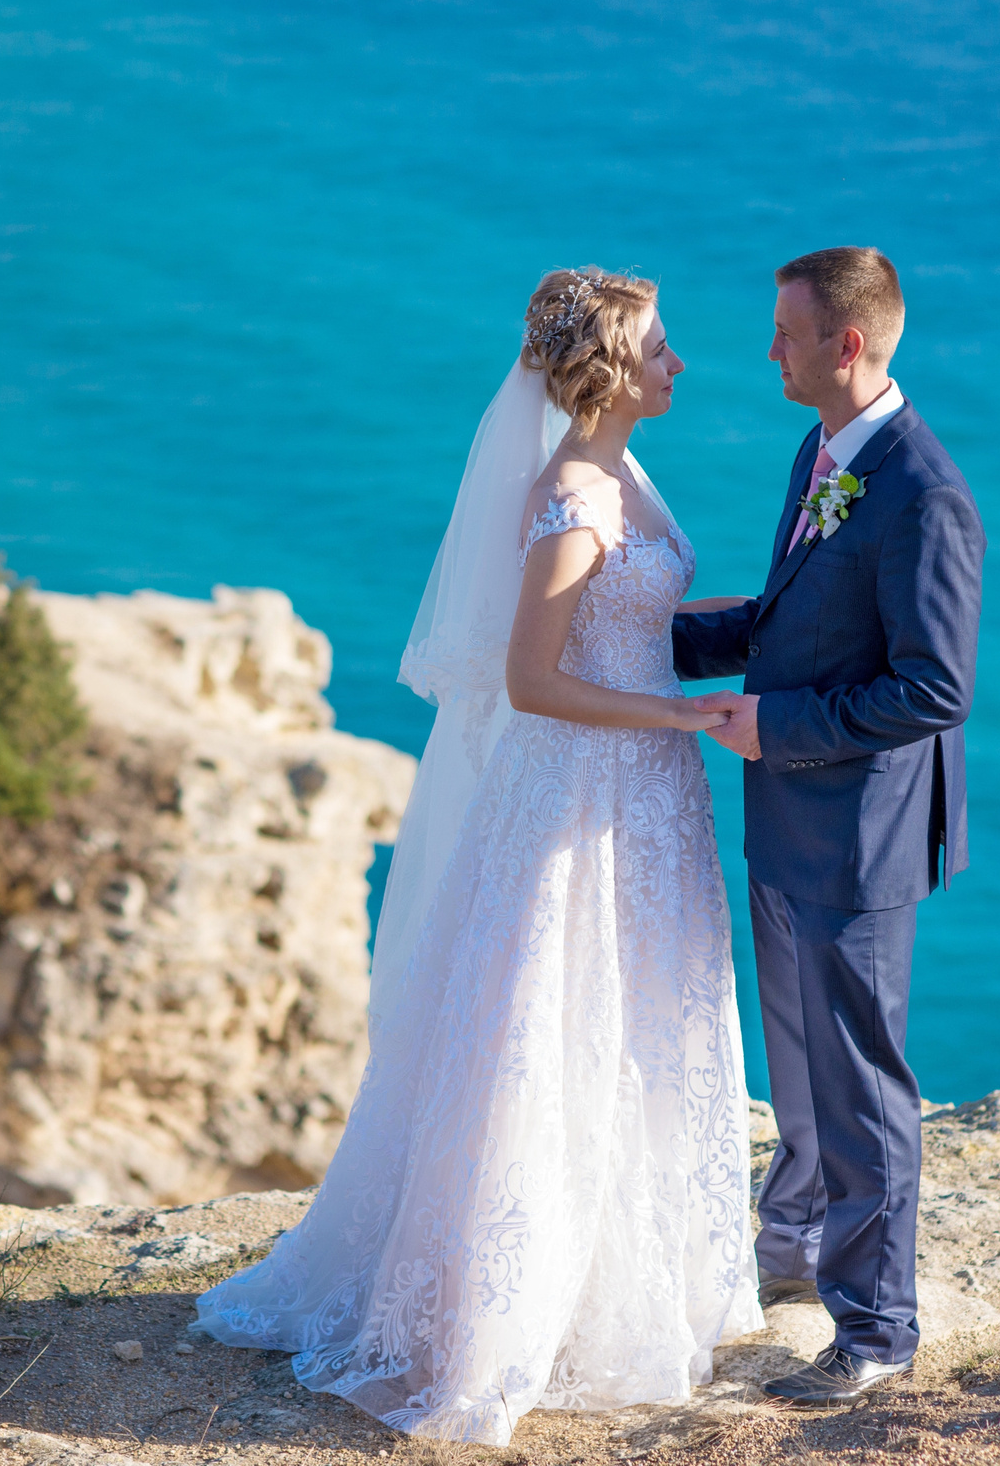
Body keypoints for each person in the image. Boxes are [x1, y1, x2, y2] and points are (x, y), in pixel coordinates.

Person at [193, 267, 762, 1443]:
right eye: (661, 347)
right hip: (581, 787)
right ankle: (502, 1308)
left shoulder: (623, 472)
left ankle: (627, 1271)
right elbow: (532, 678)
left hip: (644, 797)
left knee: (638, 1015)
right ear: (608, 371)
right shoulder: (571, 495)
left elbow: (640, 625)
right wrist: (680, 717)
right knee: (550, 1021)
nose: (680, 364)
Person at [675, 246, 984, 1406]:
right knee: (799, 1067)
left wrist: (774, 723)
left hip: (858, 837)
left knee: (860, 1086)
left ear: (843, 344)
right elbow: (796, 613)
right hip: (787, 813)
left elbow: (932, 688)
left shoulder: (923, 494)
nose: (769, 351)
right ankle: (793, 1242)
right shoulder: (823, 449)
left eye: (784, 332)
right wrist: (652, 640)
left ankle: (877, 1330)